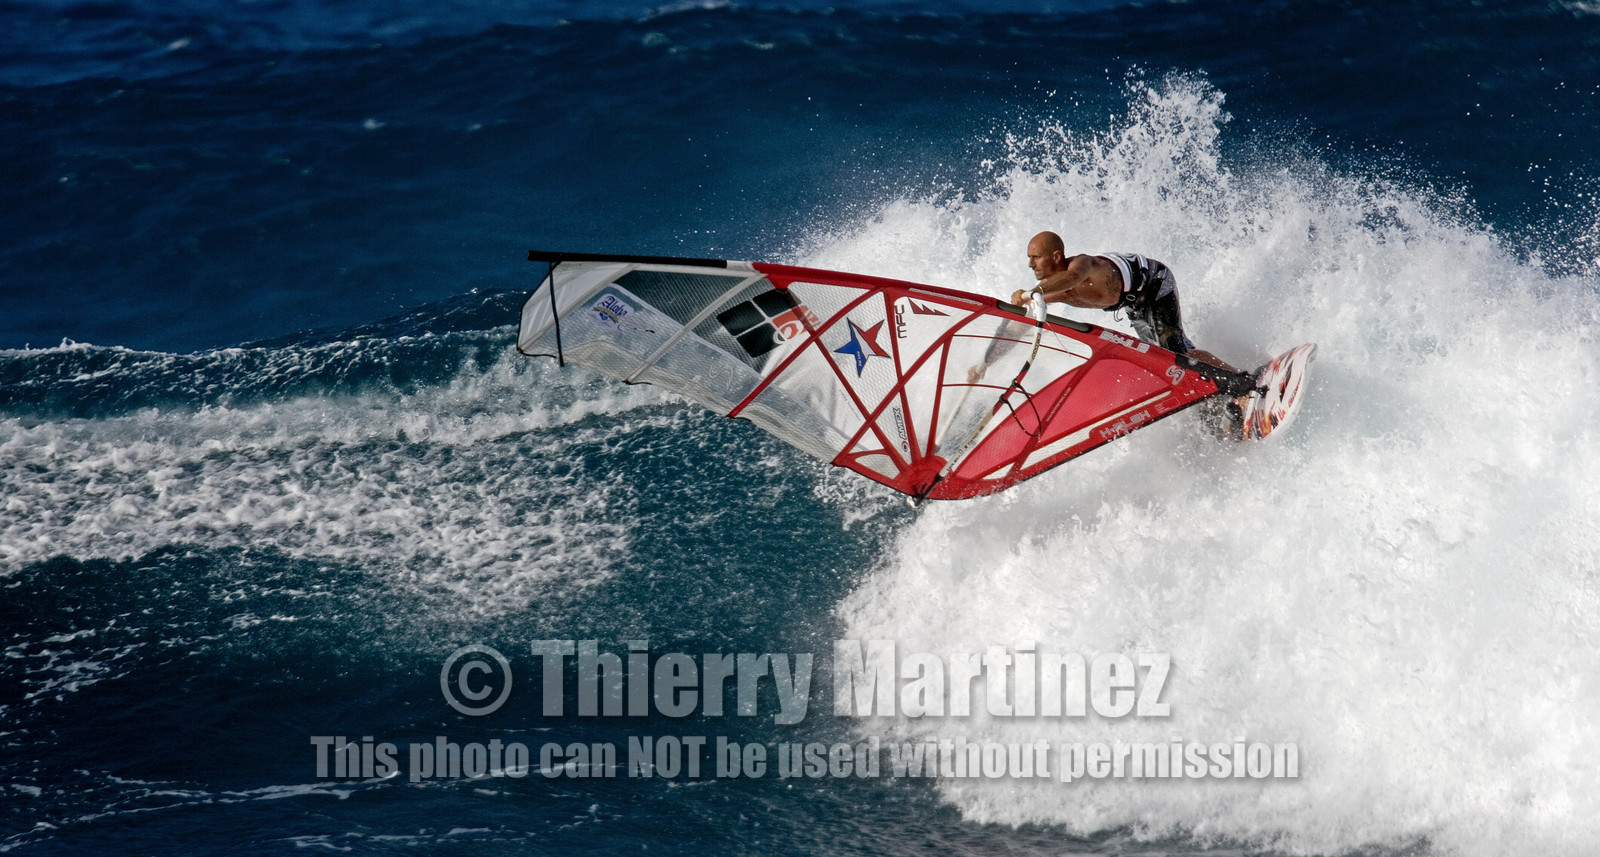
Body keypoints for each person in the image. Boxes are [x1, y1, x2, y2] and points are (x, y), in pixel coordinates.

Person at [1009, 231, 1239, 373]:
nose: (1030, 264)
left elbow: (1071, 278)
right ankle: (1213, 393)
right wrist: (982, 366)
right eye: (1029, 258)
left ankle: (1241, 380)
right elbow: (1017, 324)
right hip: (1134, 303)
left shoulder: (1082, 265)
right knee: (1163, 360)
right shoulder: (1055, 292)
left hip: (1154, 282)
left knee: (1176, 354)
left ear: (1056, 256)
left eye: (1035, 257)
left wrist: (1030, 292)